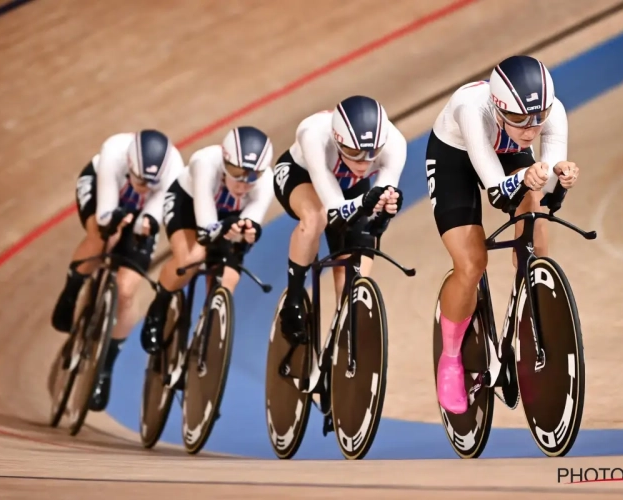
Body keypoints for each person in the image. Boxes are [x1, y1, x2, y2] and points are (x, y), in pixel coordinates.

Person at [426, 55, 581, 414]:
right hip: (455, 157)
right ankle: (450, 358)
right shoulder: (471, 110)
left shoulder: (551, 112)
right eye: (518, 119)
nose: (529, 130)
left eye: (536, 120)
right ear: (498, 107)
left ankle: (530, 304)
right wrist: (525, 180)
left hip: (505, 154)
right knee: (471, 263)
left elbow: (548, 174)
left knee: (536, 228)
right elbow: (497, 190)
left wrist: (561, 176)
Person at [51, 129, 184, 411]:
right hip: (103, 189)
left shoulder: (174, 171)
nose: (144, 187)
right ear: (130, 163)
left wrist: (144, 221)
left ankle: (106, 367)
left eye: (151, 183)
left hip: (142, 213)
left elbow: (152, 215)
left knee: (125, 292)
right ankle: (72, 291)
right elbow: (105, 214)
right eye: (139, 180)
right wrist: (115, 221)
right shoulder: (114, 151)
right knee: (102, 237)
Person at [273, 95, 407, 343]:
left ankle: (342, 326)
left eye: (371, 153)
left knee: (357, 261)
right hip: (302, 175)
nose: (363, 161)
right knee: (316, 217)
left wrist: (383, 214)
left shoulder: (395, 143)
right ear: (337, 141)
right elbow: (335, 210)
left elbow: (376, 211)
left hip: (351, 187)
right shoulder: (313, 134)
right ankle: (293, 299)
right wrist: (365, 204)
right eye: (354, 151)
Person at [139, 126, 274, 354]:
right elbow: (206, 230)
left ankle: (206, 328)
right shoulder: (204, 162)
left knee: (228, 279)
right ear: (224, 160)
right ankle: (159, 306)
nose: (242, 183)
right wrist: (228, 229)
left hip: (225, 220)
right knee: (191, 258)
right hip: (189, 207)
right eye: (235, 171)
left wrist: (248, 234)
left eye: (251, 176)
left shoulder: (267, 181)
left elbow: (249, 228)